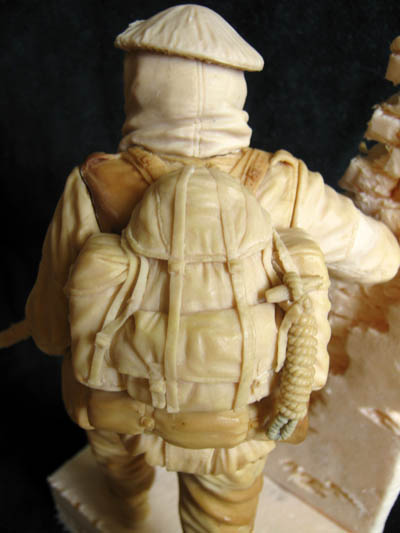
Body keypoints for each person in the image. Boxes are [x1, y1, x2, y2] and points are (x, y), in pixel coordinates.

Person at [9, 5, 400, 532]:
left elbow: (54, 328)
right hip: (239, 417)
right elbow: (380, 259)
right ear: (234, 90)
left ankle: (128, 508)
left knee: (119, 471)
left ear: (137, 85)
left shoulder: (95, 186)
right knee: (221, 514)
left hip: (118, 399)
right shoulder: (284, 184)